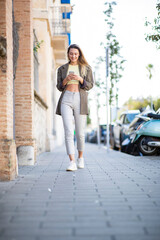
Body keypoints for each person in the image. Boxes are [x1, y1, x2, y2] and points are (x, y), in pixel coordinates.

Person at [56, 44, 94, 171]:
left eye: (75, 54)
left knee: (80, 133)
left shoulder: (86, 68)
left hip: (80, 99)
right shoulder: (62, 69)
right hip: (66, 99)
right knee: (68, 131)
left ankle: (80, 158)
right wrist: (66, 80)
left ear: (79, 55)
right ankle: (72, 161)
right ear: (68, 54)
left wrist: (80, 79)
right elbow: (59, 86)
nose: (73, 56)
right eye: (71, 53)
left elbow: (90, 85)